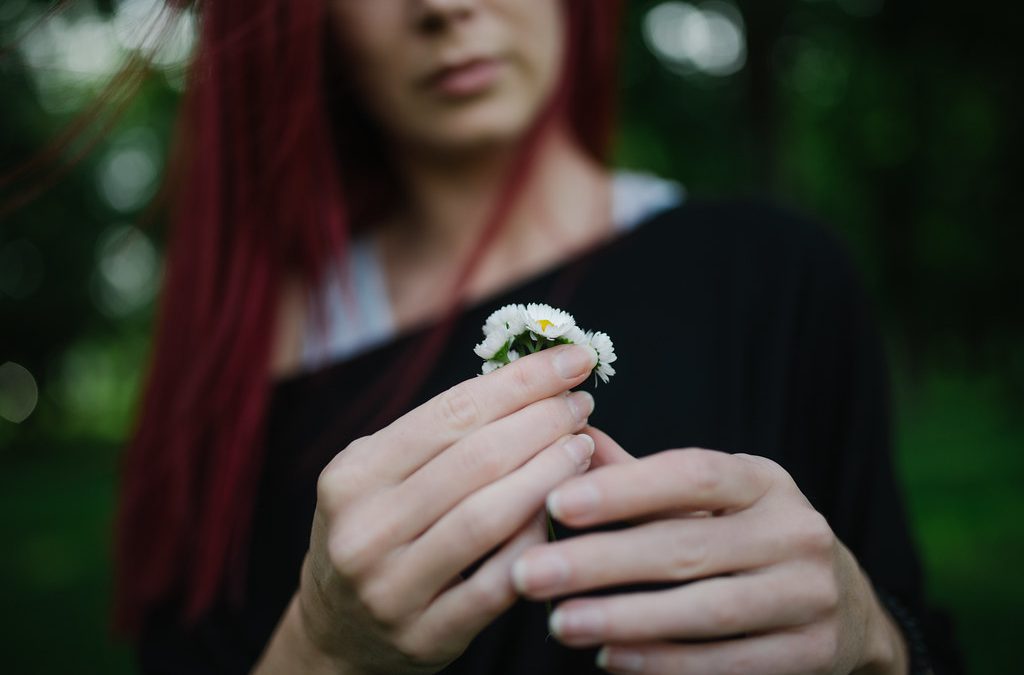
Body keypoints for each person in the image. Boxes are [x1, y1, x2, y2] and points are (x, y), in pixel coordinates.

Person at [116, 1, 959, 673]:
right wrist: (325, 652)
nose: (444, 8)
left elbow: (922, 636)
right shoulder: (249, 350)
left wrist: (874, 642)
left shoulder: (780, 274)